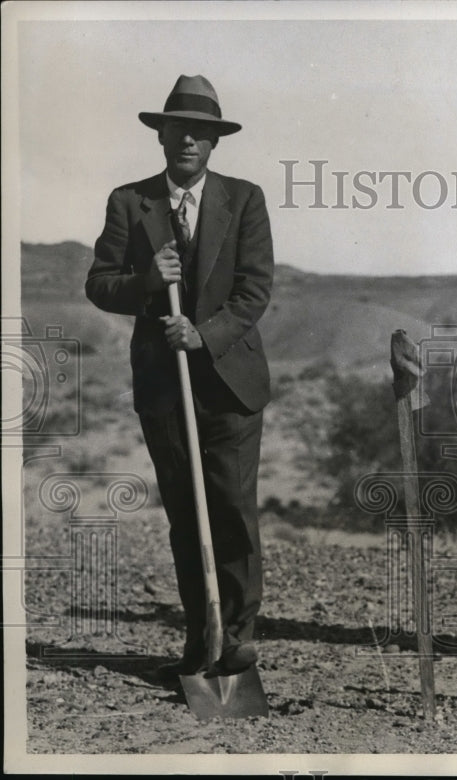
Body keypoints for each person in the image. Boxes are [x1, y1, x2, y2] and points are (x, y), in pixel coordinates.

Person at [86, 75, 273, 685]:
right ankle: (202, 639)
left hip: (230, 382)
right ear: (161, 135)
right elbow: (99, 284)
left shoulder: (244, 200)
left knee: (233, 509)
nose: (190, 139)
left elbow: (254, 290)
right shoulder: (128, 202)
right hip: (165, 386)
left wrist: (205, 333)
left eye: (203, 132)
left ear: (216, 142)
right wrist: (146, 281)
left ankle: (238, 639)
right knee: (187, 514)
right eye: (179, 128)